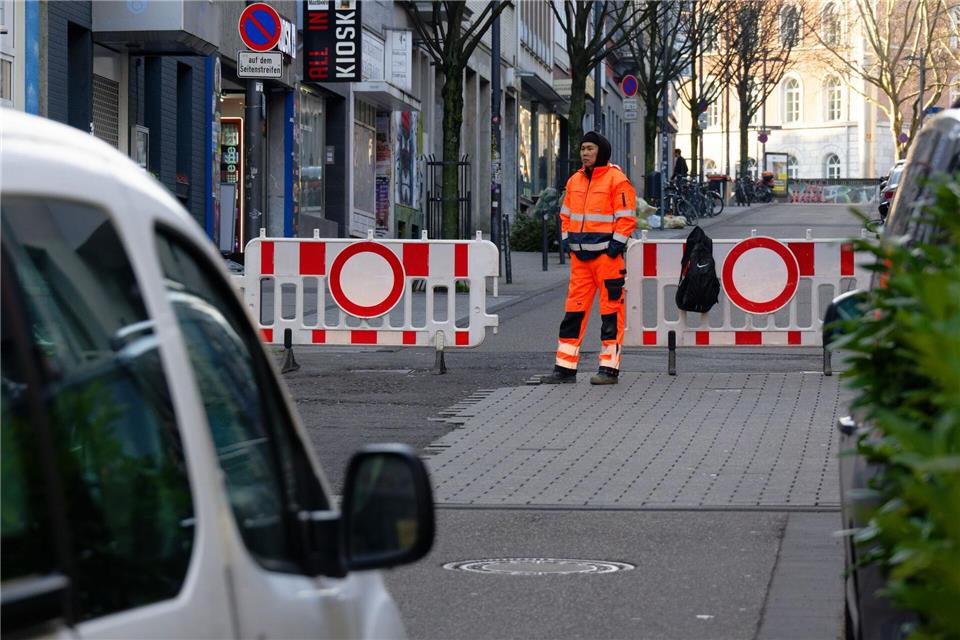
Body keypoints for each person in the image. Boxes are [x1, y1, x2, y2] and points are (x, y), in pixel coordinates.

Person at [541, 131, 637, 386]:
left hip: (606, 258)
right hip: (581, 259)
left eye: (590, 148)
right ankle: (564, 368)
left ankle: (608, 369)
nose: (585, 153)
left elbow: (626, 217)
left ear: (601, 151)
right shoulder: (574, 181)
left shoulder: (617, 180)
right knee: (573, 312)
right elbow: (565, 215)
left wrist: (615, 248)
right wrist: (566, 242)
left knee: (610, 314)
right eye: (583, 148)